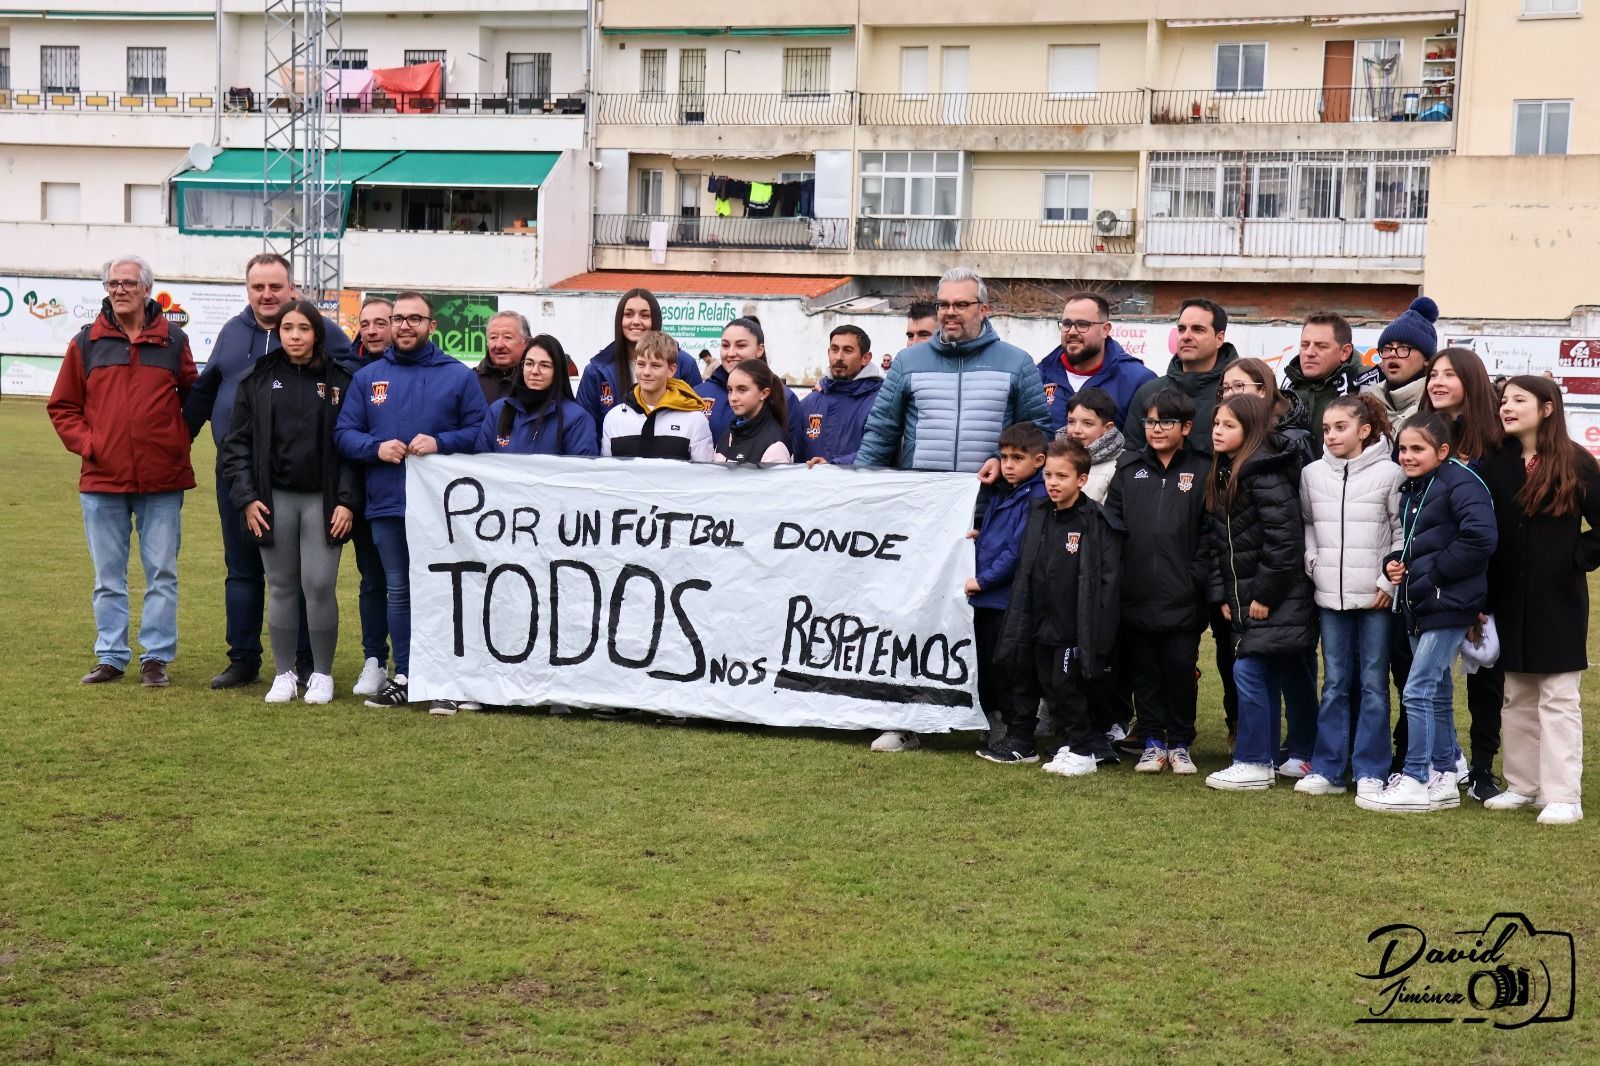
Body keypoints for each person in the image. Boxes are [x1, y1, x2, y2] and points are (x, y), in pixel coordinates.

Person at [853, 268, 1050, 753]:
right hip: (921, 515)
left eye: (961, 304)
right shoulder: (908, 362)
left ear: (984, 309)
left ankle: (997, 717)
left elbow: (1039, 436)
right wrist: (855, 493)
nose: (950, 313)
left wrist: (1002, 464)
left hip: (992, 515)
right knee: (915, 614)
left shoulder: (1017, 363)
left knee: (991, 625)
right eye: (943, 304)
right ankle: (909, 717)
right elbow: (881, 432)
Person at [184, 253, 352, 691]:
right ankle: (243, 659)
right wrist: (178, 441)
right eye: (258, 286)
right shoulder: (232, 332)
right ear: (247, 289)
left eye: (275, 286)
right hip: (242, 477)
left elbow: (350, 388)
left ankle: (304, 663)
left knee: (303, 577)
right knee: (242, 570)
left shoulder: (325, 333)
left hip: (308, 482)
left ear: (291, 289)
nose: (267, 294)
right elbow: (206, 391)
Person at [335, 292, 489, 716]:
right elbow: (343, 433)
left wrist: (442, 442)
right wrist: (375, 448)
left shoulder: (457, 376)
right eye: (399, 319)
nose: (405, 326)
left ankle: (447, 677)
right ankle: (405, 674)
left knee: (443, 590)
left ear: (431, 326)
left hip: (443, 509)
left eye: (414, 319)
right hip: (387, 504)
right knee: (398, 591)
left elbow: (480, 432)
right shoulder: (369, 379)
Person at [48, 255, 197, 688]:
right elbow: (62, 407)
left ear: (147, 289)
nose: (119, 290)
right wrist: (91, 445)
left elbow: (194, 394)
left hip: (162, 480)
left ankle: (155, 659)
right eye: (113, 283)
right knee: (108, 578)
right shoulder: (86, 342)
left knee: (162, 574)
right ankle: (111, 657)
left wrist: (175, 439)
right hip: (102, 481)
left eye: (129, 283)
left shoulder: (173, 339)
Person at [218, 300, 360, 705]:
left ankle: (322, 674)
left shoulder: (340, 381)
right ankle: (284, 674)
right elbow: (236, 446)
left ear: (317, 333)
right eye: (287, 329)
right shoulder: (257, 380)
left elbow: (350, 448)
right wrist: (246, 499)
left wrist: (347, 501)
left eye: (303, 329)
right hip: (274, 500)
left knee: (318, 585)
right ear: (278, 333)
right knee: (281, 586)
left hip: (323, 500)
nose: (294, 336)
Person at [1358, 413, 1497, 813]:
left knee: (1418, 688)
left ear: (1442, 451)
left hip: (1448, 604)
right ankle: (1445, 772)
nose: (1407, 456)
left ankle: (1417, 778)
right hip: (1422, 600)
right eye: (1402, 448)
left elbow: (1481, 536)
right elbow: (1420, 542)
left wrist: (1434, 573)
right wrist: (1395, 562)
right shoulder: (1417, 488)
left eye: (1417, 449)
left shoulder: (1461, 482)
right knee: (1434, 690)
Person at [1480, 377, 1600, 825]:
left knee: (1557, 696)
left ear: (1548, 408)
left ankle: (1563, 794)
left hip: (1558, 599)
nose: (1507, 408)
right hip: (1508, 597)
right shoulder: (1496, 462)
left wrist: (1576, 557)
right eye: (1504, 401)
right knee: (1517, 694)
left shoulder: (1575, 461)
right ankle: (1523, 786)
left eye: (1518, 400)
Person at [1124, 298, 1242, 745]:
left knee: (1232, 639)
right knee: (1157, 647)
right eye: (1182, 328)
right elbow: (1134, 456)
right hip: (1166, 540)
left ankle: (1238, 723)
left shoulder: (1235, 387)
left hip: (1228, 533)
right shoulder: (1151, 390)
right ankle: (1149, 723)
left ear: (1219, 337)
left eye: (1198, 328)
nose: (1188, 335)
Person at [1201, 395, 1318, 792]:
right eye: (1217, 423)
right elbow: (1221, 543)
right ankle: (1293, 753)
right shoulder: (1224, 472)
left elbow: (1284, 543)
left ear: (1250, 432)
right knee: (1281, 671)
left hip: (1275, 597)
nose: (1218, 431)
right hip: (1246, 597)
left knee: (1249, 671)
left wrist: (1265, 597)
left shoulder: (1263, 473)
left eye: (1229, 425)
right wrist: (1222, 592)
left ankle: (1255, 761)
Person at [1296, 394, 1404, 800]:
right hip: (1329, 598)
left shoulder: (1390, 474)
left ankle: (1372, 769)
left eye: (1341, 427)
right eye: (1326, 428)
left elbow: (1399, 532)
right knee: (1335, 683)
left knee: (1374, 684)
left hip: (1375, 598)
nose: (1332, 435)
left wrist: (1386, 581)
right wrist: (1312, 560)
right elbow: (1308, 522)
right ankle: (1328, 768)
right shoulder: (1311, 474)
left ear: (1364, 430)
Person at [994, 438, 1123, 778]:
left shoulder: (1095, 521)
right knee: (1050, 687)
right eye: (1049, 475)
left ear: (1081, 480)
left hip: (1073, 626)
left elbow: (1105, 583)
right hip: (1039, 621)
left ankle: (1083, 750)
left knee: (1069, 687)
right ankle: (1067, 744)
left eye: (1062, 477)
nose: (1053, 482)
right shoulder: (1038, 513)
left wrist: (1098, 630)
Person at [1105, 389, 1212, 775]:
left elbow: (1208, 532)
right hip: (1135, 593)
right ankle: (1152, 740)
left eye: (1166, 422)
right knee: (1144, 671)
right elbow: (1112, 528)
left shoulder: (1202, 469)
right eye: (1151, 421)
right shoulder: (1128, 469)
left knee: (1180, 668)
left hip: (1183, 595)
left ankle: (1180, 741)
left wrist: (1194, 577)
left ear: (1186, 427)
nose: (1157, 429)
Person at [1416, 345, 1505, 795]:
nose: (1437, 381)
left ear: (1471, 380)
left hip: (1481, 583)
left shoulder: (1494, 444)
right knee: (1426, 680)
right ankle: (1444, 762)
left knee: (1483, 678)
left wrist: (1476, 597)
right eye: (1433, 373)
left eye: (1449, 374)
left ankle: (1483, 770)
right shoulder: (1418, 437)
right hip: (1429, 584)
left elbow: (1487, 528)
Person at [966, 423, 1049, 761]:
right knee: (992, 665)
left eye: (1018, 458)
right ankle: (1003, 727)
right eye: (1004, 457)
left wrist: (984, 580)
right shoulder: (1006, 493)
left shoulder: (1037, 497)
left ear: (1039, 460)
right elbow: (997, 539)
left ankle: (1020, 735)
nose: (1009, 464)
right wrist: (978, 534)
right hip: (989, 599)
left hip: (1008, 599)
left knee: (1014, 667)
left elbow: (1017, 551)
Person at [575, 289, 702, 438]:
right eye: (628, 314)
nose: (636, 321)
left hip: (670, 456)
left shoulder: (684, 363)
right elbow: (584, 431)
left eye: (645, 315)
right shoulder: (597, 370)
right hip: (614, 457)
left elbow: (697, 415)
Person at [348, 297, 394, 696]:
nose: (374, 330)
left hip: (417, 498)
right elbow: (343, 434)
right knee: (373, 580)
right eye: (367, 323)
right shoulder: (345, 369)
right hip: (364, 496)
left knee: (414, 581)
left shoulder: (431, 370)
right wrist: (374, 449)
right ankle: (374, 659)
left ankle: (415, 663)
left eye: (382, 322)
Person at [1036, 292, 1154, 431]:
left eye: (1082, 324)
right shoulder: (1040, 375)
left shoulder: (1137, 381)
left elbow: (1140, 445)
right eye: (1067, 324)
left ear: (1105, 330)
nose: (1072, 332)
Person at [475, 334, 598, 457]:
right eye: (529, 364)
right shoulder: (498, 411)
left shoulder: (576, 419)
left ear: (558, 371)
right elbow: (482, 464)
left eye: (544, 365)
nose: (534, 371)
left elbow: (581, 471)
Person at [600, 330, 716, 461]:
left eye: (655, 366)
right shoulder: (614, 418)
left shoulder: (695, 421)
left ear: (671, 370)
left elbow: (703, 476)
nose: (646, 372)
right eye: (641, 364)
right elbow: (609, 474)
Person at [699, 317, 805, 457]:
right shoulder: (700, 392)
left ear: (760, 350)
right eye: (725, 345)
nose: (731, 353)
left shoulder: (785, 397)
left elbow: (794, 455)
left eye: (740, 346)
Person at [1279, 312, 1379, 453]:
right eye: (1305, 345)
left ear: (1345, 352)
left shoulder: (1366, 384)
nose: (1310, 352)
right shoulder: (1286, 389)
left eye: (1321, 346)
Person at [797, 325, 883, 466]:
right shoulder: (809, 403)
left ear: (865, 358)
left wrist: (833, 467)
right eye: (834, 349)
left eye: (848, 350)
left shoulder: (880, 402)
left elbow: (879, 451)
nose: (839, 357)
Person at [1221, 358, 1314, 472]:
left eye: (1239, 385)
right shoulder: (1225, 432)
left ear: (1263, 390)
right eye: (1225, 388)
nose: (1229, 394)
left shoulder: (1295, 439)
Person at [1365, 297, 1437, 430]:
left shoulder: (1436, 407)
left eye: (1404, 348)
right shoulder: (1365, 405)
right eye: (1387, 348)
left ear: (1427, 359)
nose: (1392, 354)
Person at [714, 359, 792, 464]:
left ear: (764, 393)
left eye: (742, 390)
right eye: (730, 390)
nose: (733, 398)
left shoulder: (775, 445)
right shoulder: (728, 434)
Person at [1060, 387, 1125, 503]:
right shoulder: (1055, 458)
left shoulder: (1121, 466)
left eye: (1087, 424)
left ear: (1108, 428)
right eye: (1071, 422)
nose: (1076, 430)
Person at [474, 311, 534, 408]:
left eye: (507, 337)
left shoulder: (536, 379)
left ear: (527, 343)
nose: (499, 345)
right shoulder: (472, 381)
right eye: (493, 337)